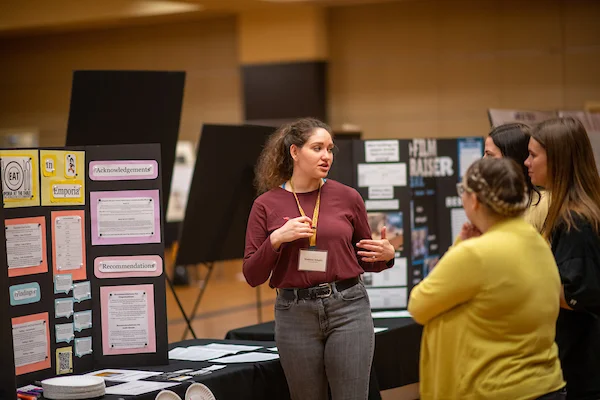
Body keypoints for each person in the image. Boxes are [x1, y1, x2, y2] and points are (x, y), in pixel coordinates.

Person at [243, 117, 395, 400]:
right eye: (317, 148)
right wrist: (276, 239)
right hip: (294, 314)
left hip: (348, 308)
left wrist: (387, 255)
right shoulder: (265, 205)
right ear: (295, 152)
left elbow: (365, 258)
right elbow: (252, 275)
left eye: (330, 149)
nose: (326, 156)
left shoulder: (348, 197)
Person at [408, 157, 566, 400]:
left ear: (475, 200)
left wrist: (461, 244)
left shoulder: (475, 254)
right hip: (545, 385)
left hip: (494, 389)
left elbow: (418, 304)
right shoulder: (536, 240)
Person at [526, 117, 600, 399]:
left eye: (533, 155)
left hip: (583, 369)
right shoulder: (573, 211)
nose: (526, 162)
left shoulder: (574, 219)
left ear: (557, 159)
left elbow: (574, 294)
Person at [484, 122, 548, 231]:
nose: (483, 160)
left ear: (512, 159)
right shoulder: (494, 202)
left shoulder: (543, 204)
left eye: (489, 155)